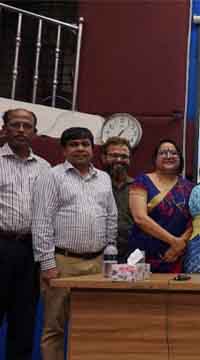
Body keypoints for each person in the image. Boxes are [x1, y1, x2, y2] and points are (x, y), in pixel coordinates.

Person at [32, 127, 117, 360]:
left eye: (85, 144)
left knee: (94, 325)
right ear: (64, 150)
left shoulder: (104, 178)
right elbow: (41, 222)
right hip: (62, 262)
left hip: (98, 264)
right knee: (54, 328)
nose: (80, 148)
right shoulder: (51, 176)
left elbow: (111, 216)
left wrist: (110, 256)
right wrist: (48, 264)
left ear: (92, 148)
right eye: (74, 144)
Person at [0, 108, 50, 360]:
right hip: (0, 245)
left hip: (31, 251)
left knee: (24, 320)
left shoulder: (45, 168)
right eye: (15, 124)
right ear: (4, 129)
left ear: (35, 132)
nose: (21, 130)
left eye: (26, 125)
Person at [129, 139, 194, 273]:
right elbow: (140, 218)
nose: (169, 156)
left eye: (173, 153)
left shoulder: (189, 187)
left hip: (177, 256)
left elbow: (195, 221)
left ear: (180, 158)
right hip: (144, 256)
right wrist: (173, 241)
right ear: (155, 158)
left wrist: (179, 245)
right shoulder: (142, 181)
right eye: (163, 153)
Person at [101, 136, 134, 263]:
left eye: (124, 156)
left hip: (131, 254)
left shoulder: (139, 187)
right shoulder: (94, 184)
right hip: (99, 253)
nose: (119, 160)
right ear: (104, 158)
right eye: (114, 155)